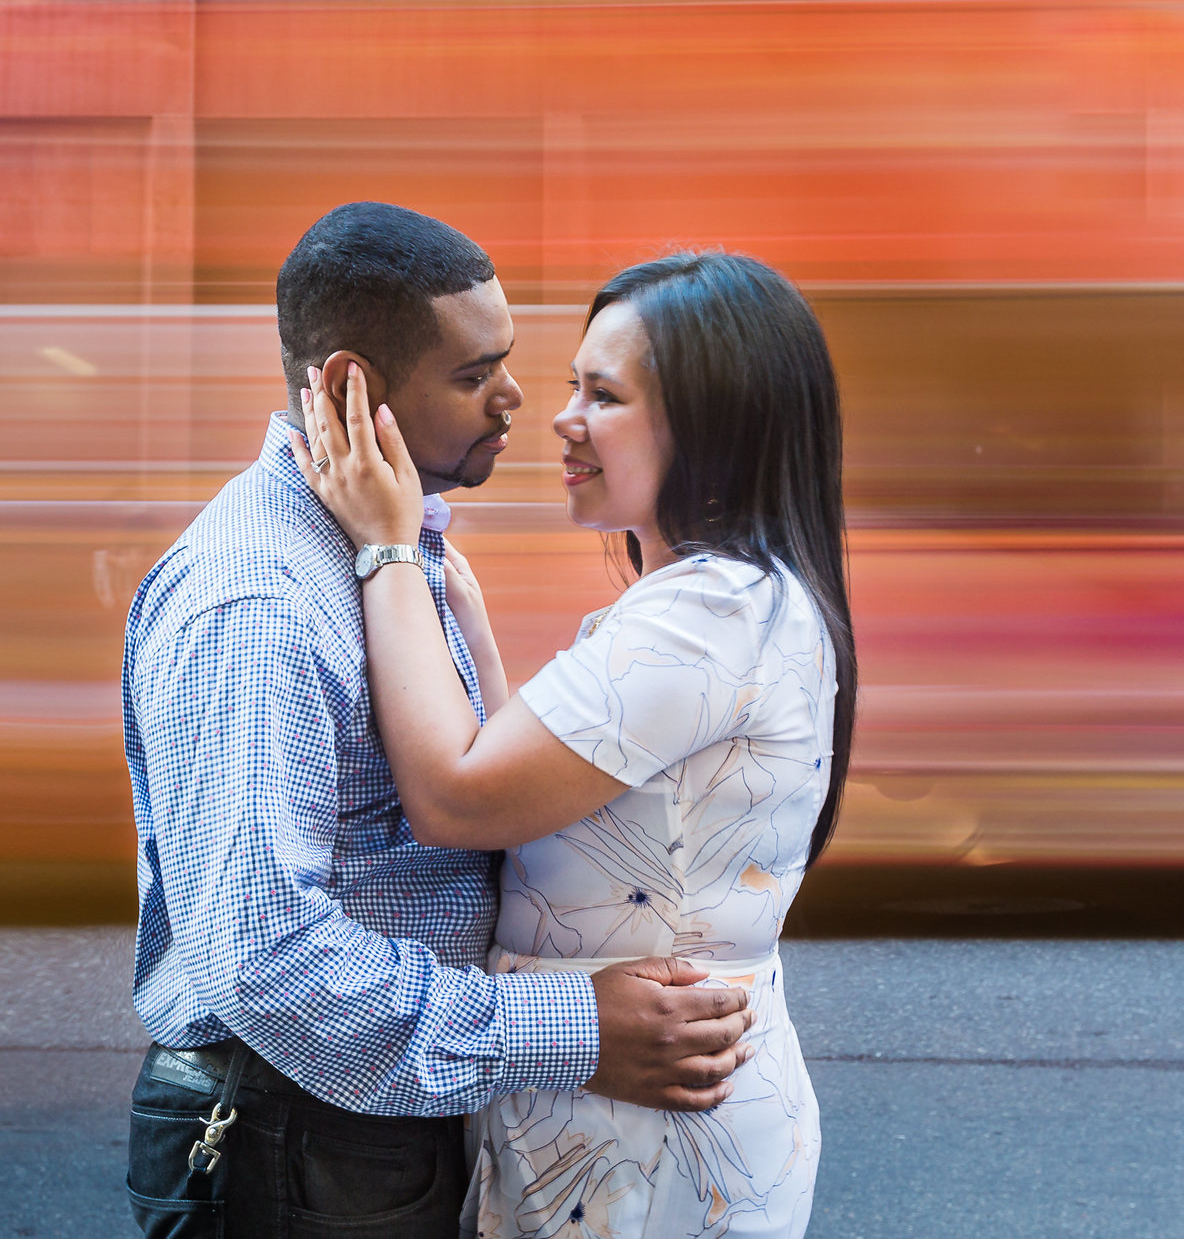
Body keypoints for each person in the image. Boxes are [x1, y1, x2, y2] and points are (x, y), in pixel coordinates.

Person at [120, 204, 759, 1239]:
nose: (519, 399)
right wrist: (573, 1027)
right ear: (346, 387)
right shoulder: (258, 599)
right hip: (302, 1129)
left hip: (363, 1117)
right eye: (473, 375)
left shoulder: (389, 550)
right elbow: (259, 955)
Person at [295, 250, 855, 1239]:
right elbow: (551, 800)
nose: (559, 417)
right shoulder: (736, 594)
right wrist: (453, 602)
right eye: (572, 385)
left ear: (709, 424)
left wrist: (384, 545)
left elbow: (457, 796)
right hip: (644, 1126)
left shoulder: (702, 614)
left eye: (603, 394)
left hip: (641, 1146)